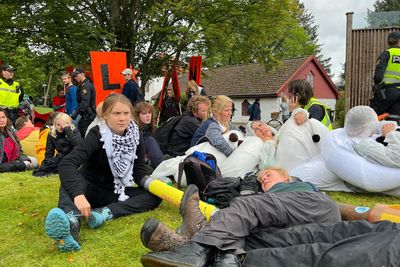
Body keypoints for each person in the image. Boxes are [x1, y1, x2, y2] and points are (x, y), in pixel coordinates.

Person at [140, 166, 341, 266]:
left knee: (245, 206)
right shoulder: (267, 197)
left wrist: (365, 214)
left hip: (316, 213)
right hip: (296, 237)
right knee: (244, 232)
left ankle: (193, 246)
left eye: (268, 175)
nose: (264, 180)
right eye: (261, 179)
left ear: (285, 176)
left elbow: (340, 209)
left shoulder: (301, 188)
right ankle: (196, 245)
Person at [44, 94, 161, 252]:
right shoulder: (97, 133)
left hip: (113, 192)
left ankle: (104, 213)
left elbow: (139, 173)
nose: (122, 118)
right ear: (105, 115)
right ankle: (71, 224)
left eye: (126, 113)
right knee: (70, 181)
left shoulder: (136, 135)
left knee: (154, 195)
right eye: (116, 113)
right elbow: (67, 163)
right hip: (88, 188)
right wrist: (78, 195)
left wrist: (152, 184)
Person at [370, 31, 400, 116]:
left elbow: (378, 77)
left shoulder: (386, 54)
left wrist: (376, 86)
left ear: (388, 42)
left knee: (371, 116)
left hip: (387, 92)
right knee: (395, 116)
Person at [0, 108, 33, 172]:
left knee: (34, 162)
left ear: (7, 118)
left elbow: (19, 150)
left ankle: (20, 164)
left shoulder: (10, 131)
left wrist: (26, 159)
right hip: (2, 163)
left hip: (12, 160)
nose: (1, 120)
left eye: (3, 117)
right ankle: (20, 165)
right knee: (24, 165)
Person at [133, 102, 164, 169]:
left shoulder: (152, 129)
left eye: (149, 113)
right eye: (144, 113)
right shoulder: (136, 132)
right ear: (138, 115)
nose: (148, 116)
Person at [71, 67, 96, 137]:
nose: (75, 78)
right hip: (85, 116)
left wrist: (75, 114)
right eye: (74, 76)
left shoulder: (86, 86)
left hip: (88, 116)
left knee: (85, 135)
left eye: (76, 75)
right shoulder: (82, 85)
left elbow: (85, 102)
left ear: (82, 74)